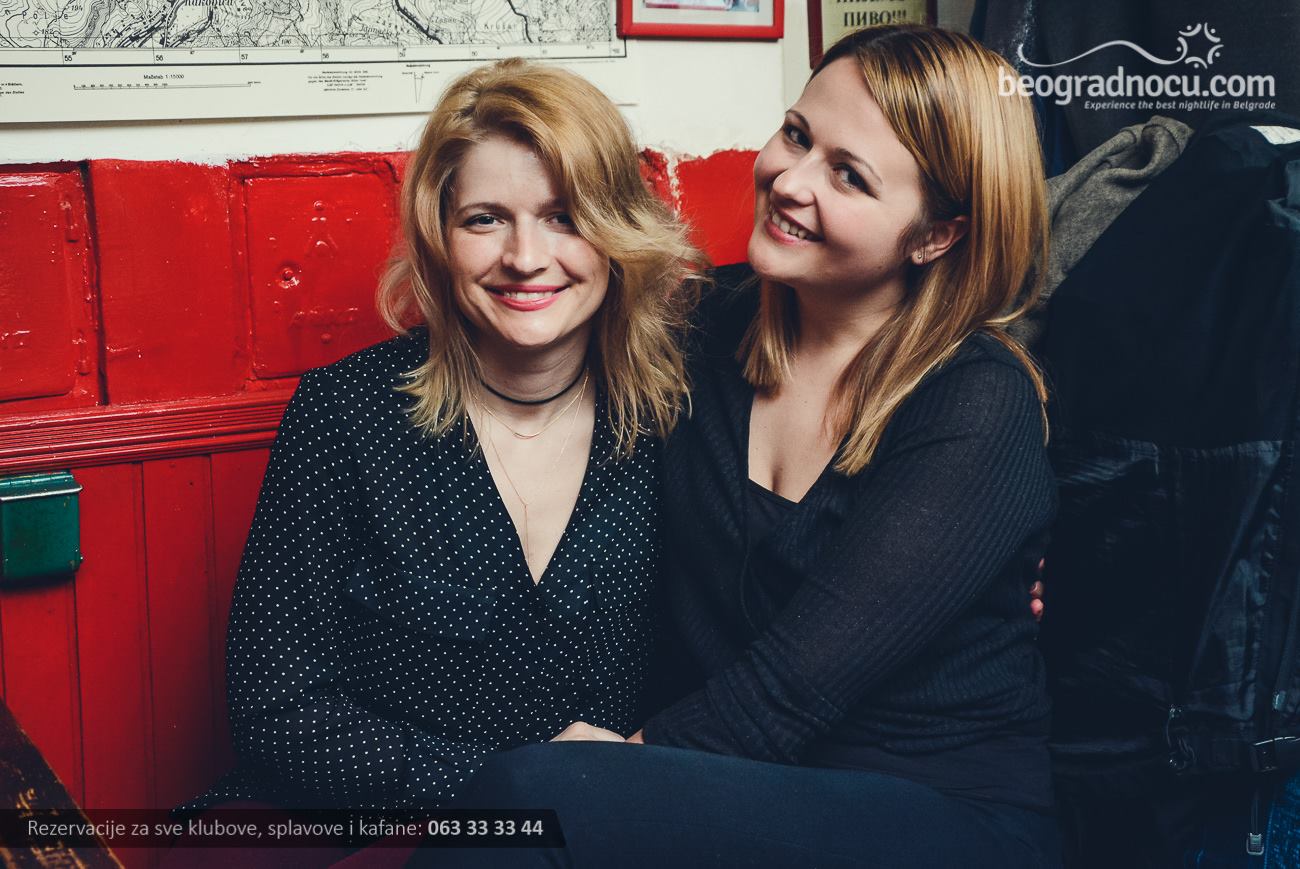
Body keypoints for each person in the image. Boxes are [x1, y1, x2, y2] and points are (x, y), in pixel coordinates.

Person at [420, 23, 1064, 869]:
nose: (790, 180)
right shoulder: (701, 331)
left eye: (849, 175)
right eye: (797, 135)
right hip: (748, 786)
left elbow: (792, 690)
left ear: (936, 234)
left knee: (538, 799)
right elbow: (532, 338)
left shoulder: (976, 400)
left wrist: (606, 768)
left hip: (940, 808)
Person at [168, 57, 703, 866]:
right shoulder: (346, 414)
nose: (526, 256)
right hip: (378, 831)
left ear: (617, 228)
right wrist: (515, 784)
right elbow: (277, 712)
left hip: (603, 833)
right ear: (439, 237)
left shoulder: (673, 415)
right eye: (486, 219)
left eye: (564, 217)